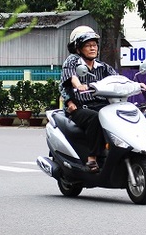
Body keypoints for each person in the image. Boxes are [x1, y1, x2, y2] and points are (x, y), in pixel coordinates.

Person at [59, 26, 137, 172]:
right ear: (78, 48)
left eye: (94, 45)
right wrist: (78, 87)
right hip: (81, 107)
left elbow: (118, 80)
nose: (92, 48)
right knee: (95, 118)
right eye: (88, 45)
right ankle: (92, 158)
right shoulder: (72, 61)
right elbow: (70, 78)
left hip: (102, 105)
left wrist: (136, 84)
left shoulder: (103, 67)